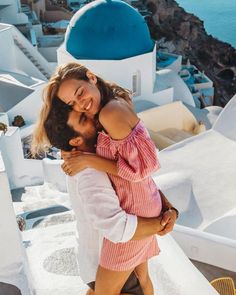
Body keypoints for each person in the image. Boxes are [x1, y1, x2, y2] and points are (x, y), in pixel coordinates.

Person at [31, 63, 178, 295]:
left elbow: (142, 170)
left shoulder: (109, 114)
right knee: (141, 279)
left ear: (91, 77)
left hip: (135, 214)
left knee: (107, 291)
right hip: (142, 206)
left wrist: (88, 160)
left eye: (80, 93)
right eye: (73, 106)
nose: (81, 107)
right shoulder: (109, 109)